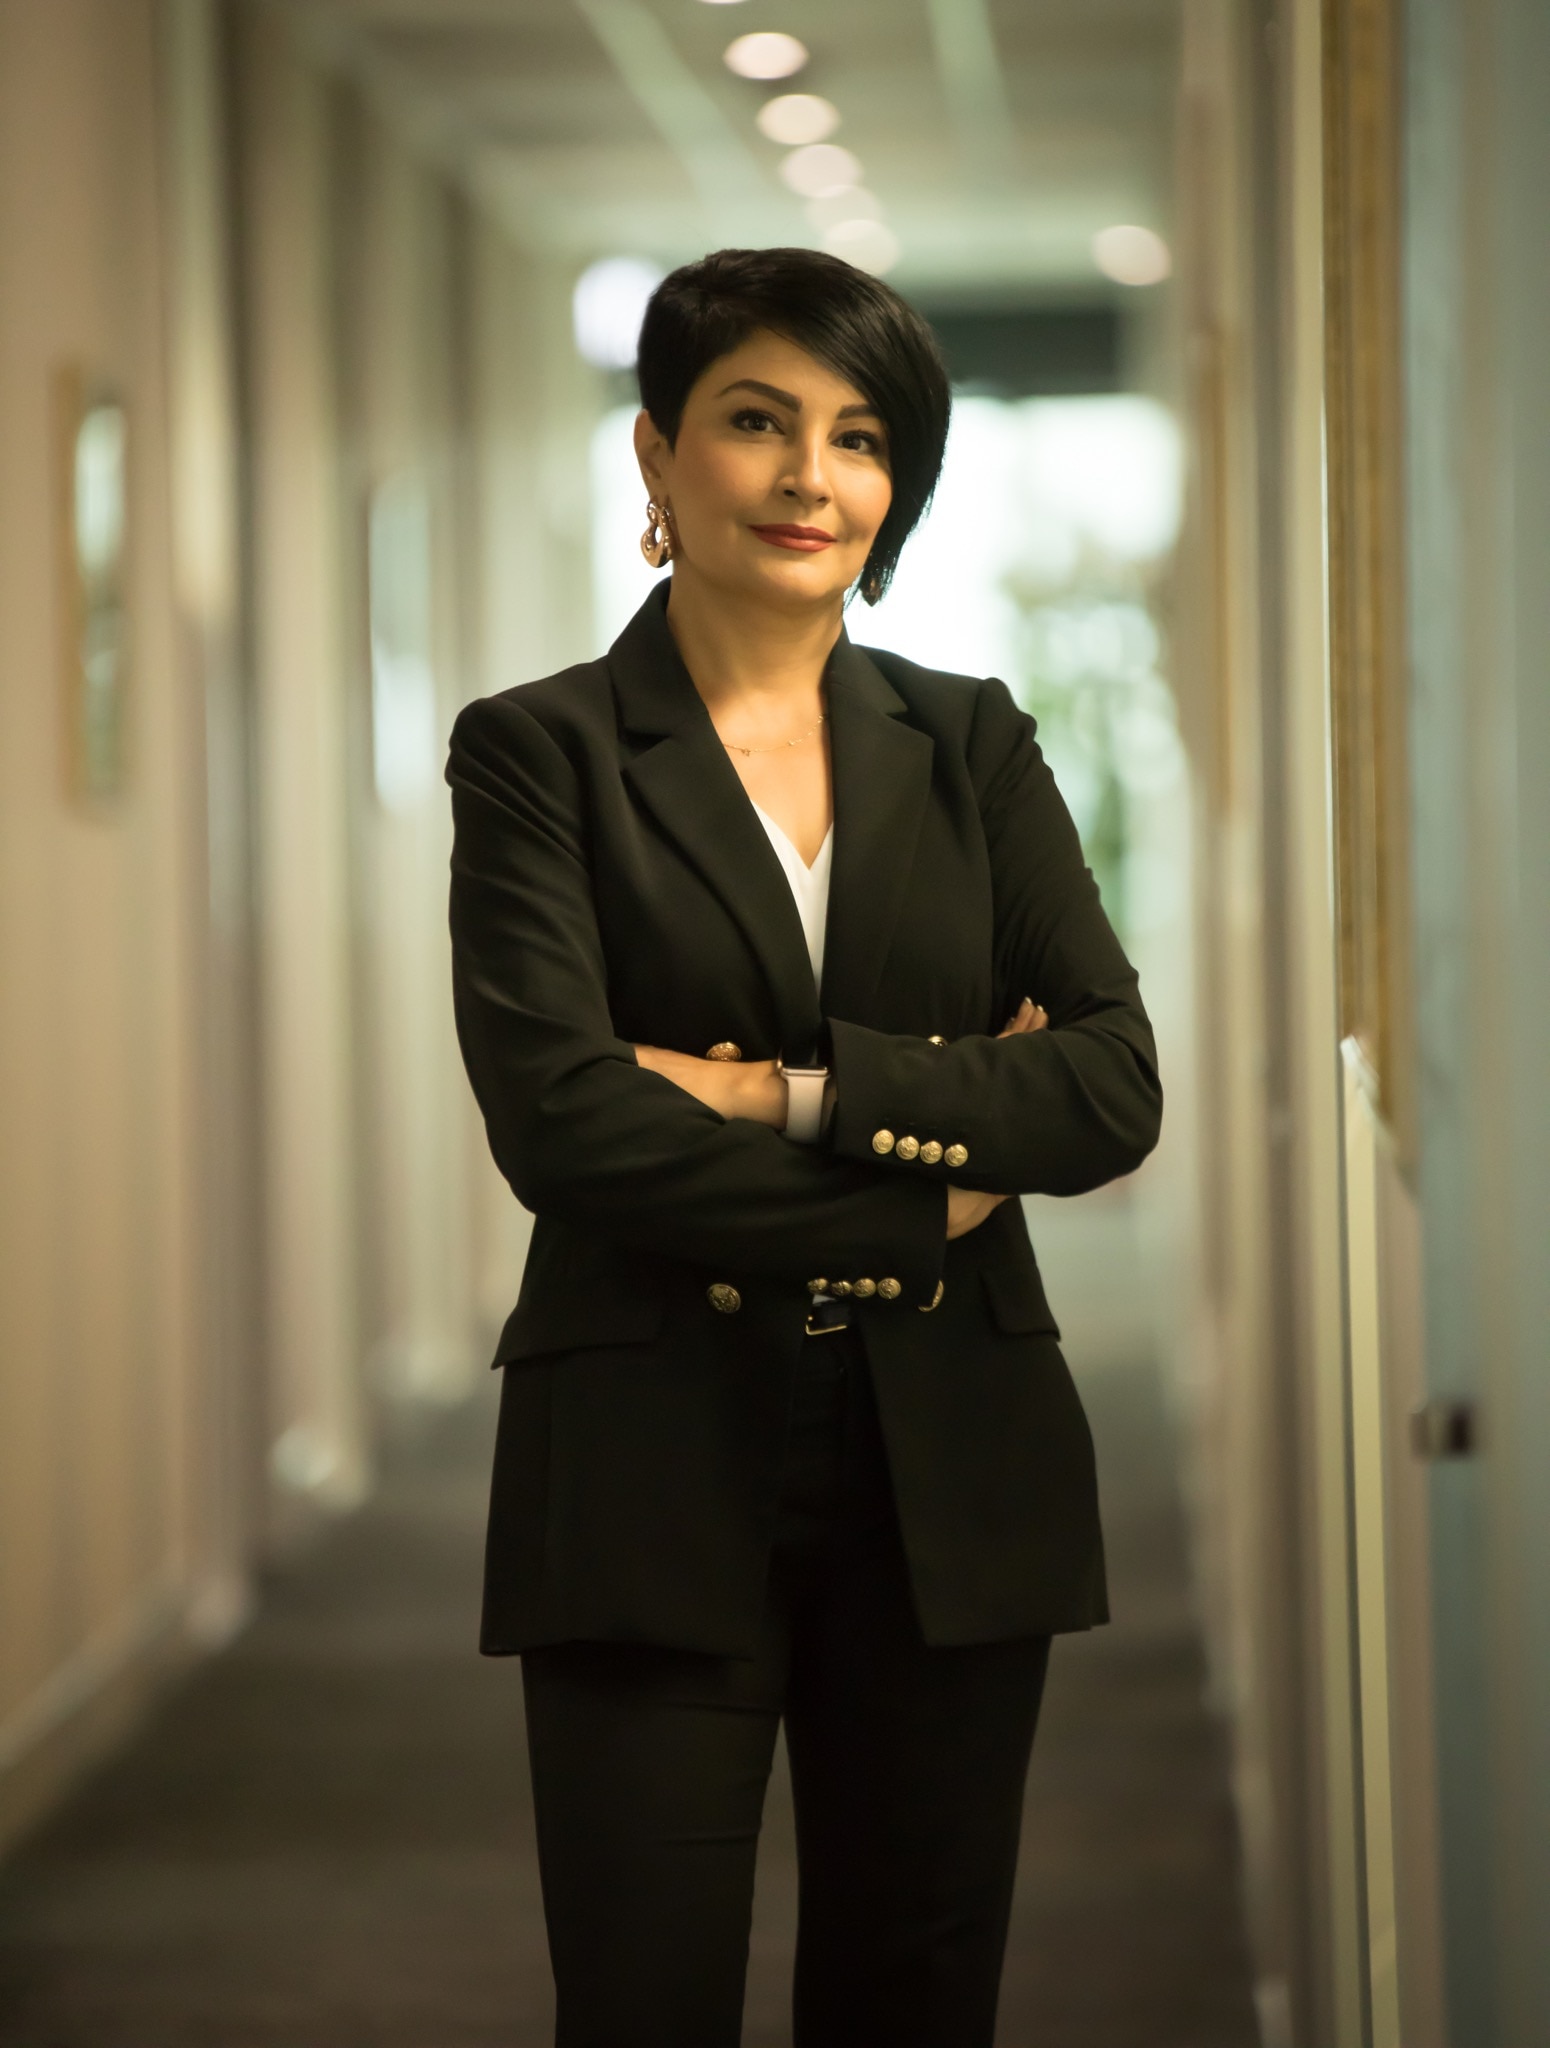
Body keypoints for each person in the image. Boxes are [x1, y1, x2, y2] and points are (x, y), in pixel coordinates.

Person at [445, 245, 1161, 2048]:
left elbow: (1105, 1084)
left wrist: (784, 1092)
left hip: (949, 1471)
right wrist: (931, 1194)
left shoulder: (970, 743)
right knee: (641, 1994)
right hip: (647, 1459)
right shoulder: (541, 757)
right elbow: (569, 1124)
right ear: (657, 455)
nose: (807, 477)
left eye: (857, 437)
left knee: (915, 1995)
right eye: (755, 422)